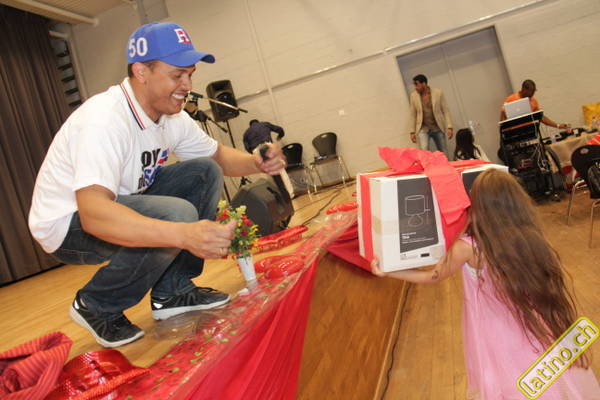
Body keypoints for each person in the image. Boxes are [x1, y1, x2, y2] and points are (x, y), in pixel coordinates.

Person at [28, 22, 286, 348]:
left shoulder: (172, 117)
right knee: (174, 215)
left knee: (204, 171)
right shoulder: (103, 121)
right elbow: (93, 214)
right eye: (177, 75)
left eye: (190, 74)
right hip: (67, 224)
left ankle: (172, 292)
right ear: (141, 72)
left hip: (116, 202)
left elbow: (218, 156)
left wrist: (256, 162)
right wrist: (182, 234)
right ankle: (97, 304)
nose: (187, 86)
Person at [372, 169, 600, 398]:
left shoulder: (467, 247)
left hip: (495, 329)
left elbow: (433, 276)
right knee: (542, 375)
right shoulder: (528, 234)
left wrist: (390, 271)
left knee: (508, 381)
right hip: (532, 320)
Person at [242, 119, 295, 197]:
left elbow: (247, 147)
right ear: (258, 122)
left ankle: (273, 198)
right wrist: (279, 136)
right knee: (280, 170)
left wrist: (254, 153)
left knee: (265, 176)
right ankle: (290, 194)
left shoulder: (246, 133)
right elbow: (280, 129)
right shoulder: (264, 124)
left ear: (250, 125)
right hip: (268, 146)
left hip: (256, 150)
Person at [408, 74, 453, 156]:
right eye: (414, 85)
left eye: (417, 84)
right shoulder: (413, 96)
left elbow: (445, 111)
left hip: (437, 127)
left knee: (443, 152)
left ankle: (445, 164)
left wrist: (449, 127)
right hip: (423, 128)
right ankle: (428, 164)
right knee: (424, 151)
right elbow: (413, 115)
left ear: (424, 84)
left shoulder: (438, 93)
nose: (415, 87)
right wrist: (412, 132)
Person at [500, 79, 570, 130]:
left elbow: (541, 117)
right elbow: (503, 116)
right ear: (524, 89)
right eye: (531, 91)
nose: (533, 93)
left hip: (530, 130)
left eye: (534, 91)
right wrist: (505, 131)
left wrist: (557, 125)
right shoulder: (510, 99)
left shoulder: (533, 100)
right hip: (514, 132)